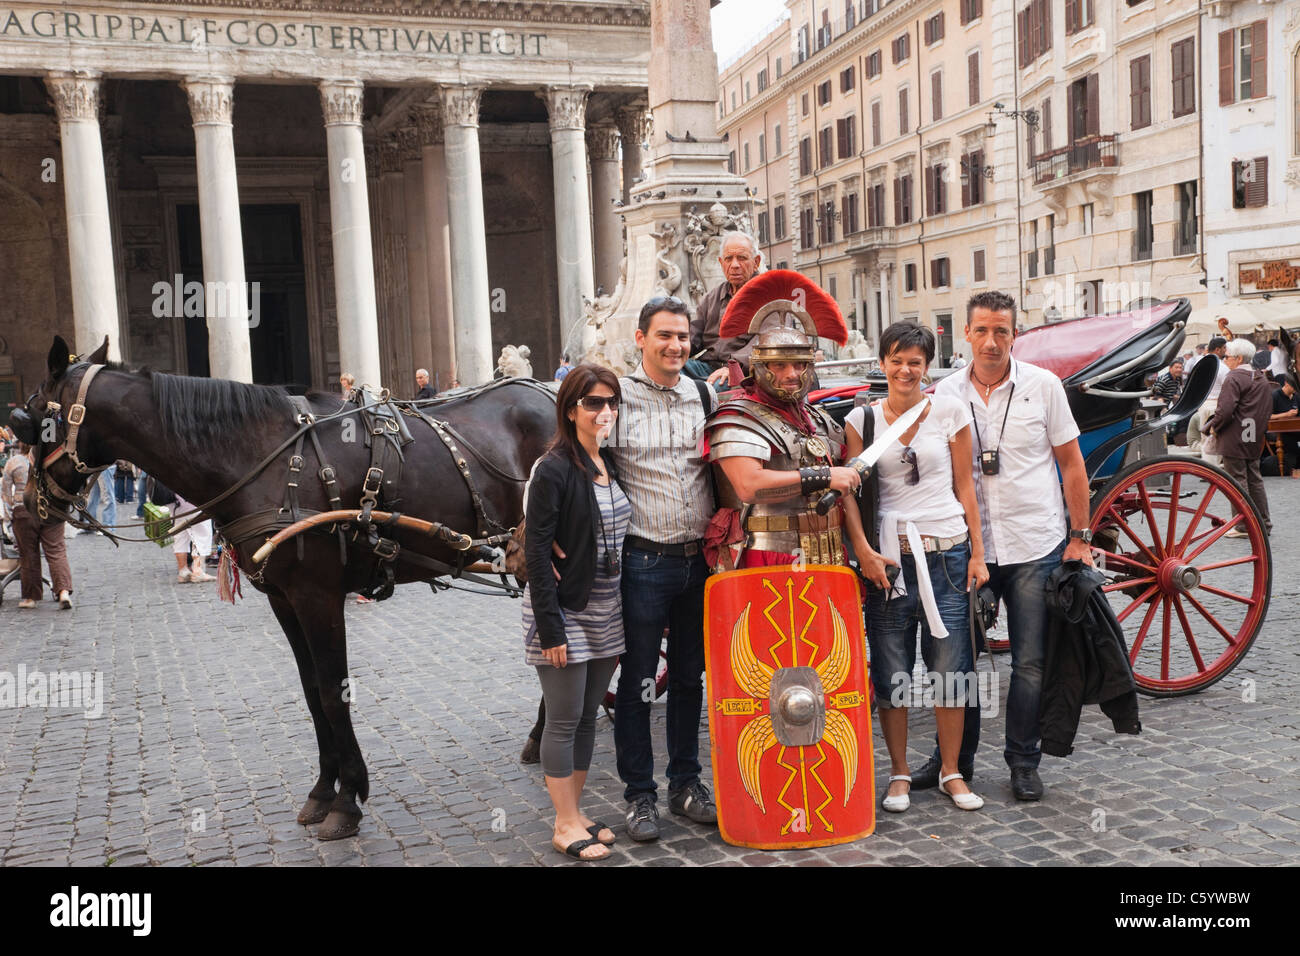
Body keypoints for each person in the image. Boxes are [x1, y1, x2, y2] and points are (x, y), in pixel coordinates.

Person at [913, 291, 1093, 803]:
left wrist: (1079, 539)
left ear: (1015, 334)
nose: (992, 342)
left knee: (1031, 662)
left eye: (1002, 332)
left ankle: (1022, 761)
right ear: (966, 334)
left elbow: (1072, 465)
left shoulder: (1044, 386)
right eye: (982, 331)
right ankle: (955, 763)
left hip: (1035, 544)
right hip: (965, 549)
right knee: (956, 662)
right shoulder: (943, 395)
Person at [843, 321, 989, 813]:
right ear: (883, 363)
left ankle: (951, 771)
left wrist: (977, 552)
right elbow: (848, 493)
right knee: (892, 670)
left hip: (946, 552)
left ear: (927, 368)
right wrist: (862, 550)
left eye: (916, 362)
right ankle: (899, 773)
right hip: (889, 558)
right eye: (897, 360)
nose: (906, 370)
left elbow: (966, 486)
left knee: (951, 668)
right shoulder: (861, 421)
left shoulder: (949, 410)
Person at [605, 295, 719, 842]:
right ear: (641, 338)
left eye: (683, 337)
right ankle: (640, 795)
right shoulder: (616, 399)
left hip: (699, 560)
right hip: (642, 559)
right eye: (665, 336)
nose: (676, 346)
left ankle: (685, 783)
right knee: (639, 680)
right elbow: (579, 462)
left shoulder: (704, 393)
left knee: (691, 677)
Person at [521, 364, 629, 861]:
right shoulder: (554, 468)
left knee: (588, 717)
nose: (604, 411)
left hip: (607, 605)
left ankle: (578, 810)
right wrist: (550, 628)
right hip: (564, 611)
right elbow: (538, 555)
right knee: (562, 720)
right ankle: (564, 823)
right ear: (570, 409)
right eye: (593, 402)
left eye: (610, 402)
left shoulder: (610, 463)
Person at [703, 269, 859, 569]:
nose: (791, 374)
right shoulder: (737, 417)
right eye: (779, 365)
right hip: (768, 555)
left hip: (828, 554)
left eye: (800, 365)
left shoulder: (818, 419)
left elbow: (844, 490)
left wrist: (862, 550)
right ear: (760, 366)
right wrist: (825, 476)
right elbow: (749, 486)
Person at [1206, 339, 1273, 537]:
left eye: (1227, 357)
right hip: (1253, 433)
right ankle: (1264, 522)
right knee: (1255, 479)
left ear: (1239, 358)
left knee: (1237, 479)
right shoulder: (1261, 378)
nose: (1225, 361)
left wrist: (1213, 426)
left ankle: (1243, 525)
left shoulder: (1234, 377)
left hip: (1234, 434)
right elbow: (1266, 408)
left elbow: (1225, 410)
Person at [2, 442, 74, 609]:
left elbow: (6, 493)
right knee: (56, 550)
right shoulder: (51, 461)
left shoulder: (14, 462)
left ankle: (30, 598)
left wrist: (7, 520)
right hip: (51, 509)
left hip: (24, 510)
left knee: (28, 554)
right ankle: (63, 591)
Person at [686, 231, 762, 384]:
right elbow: (692, 336)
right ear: (721, 263)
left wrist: (733, 367)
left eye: (742, 258)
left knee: (711, 391)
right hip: (708, 367)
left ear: (756, 262)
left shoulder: (769, 297)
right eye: (729, 259)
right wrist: (670, 351)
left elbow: (765, 341)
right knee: (666, 372)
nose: (734, 265)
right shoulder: (711, 298)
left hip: (744, 372)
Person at [1188, 336, 1229, 465]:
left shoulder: (1198, 364)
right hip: (1216, 403)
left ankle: (1208, 467)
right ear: (1217, 349)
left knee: (1205, 437)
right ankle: (1214, 467)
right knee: (1215, 437)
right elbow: (1227, 389)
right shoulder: (1222, 367)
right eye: (1224, 348)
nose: (1225, 351)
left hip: (1203, 403)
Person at [170, 491, 216, 583]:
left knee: (180, 535)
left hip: (173, 501)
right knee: (201, 533)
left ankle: (183, 572)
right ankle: (198, 571)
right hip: (190, 501)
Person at [1269, 374, 1299, 474]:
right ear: (1286, 384)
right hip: (1278, 430)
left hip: (1294, 429)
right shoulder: (1275, 396)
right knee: (1289, 441)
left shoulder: (1296, 397)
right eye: (1293, 387)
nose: (1294, 390)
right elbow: (1269, 416)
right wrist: (1286, 414)